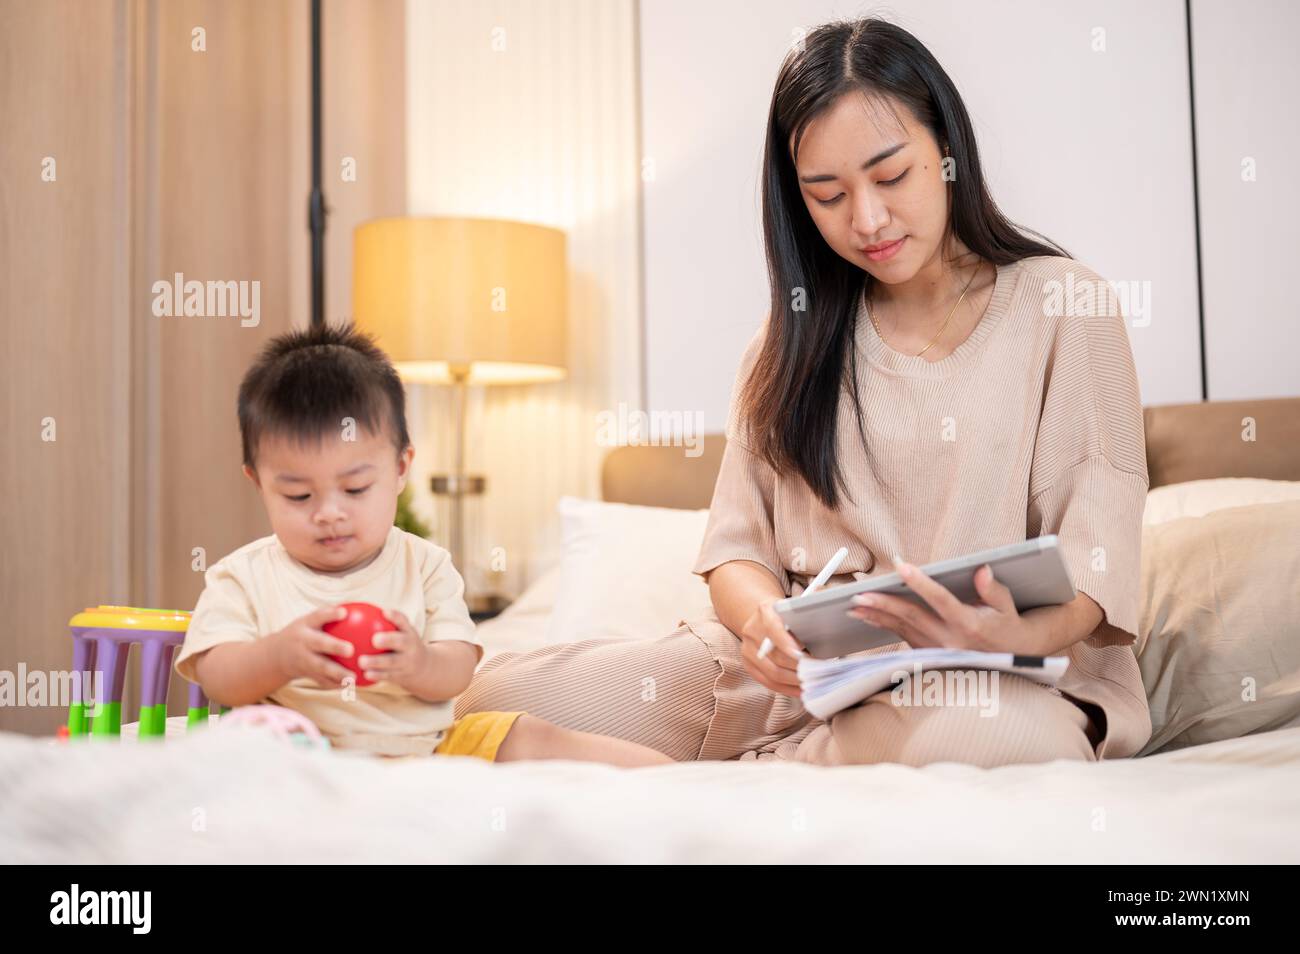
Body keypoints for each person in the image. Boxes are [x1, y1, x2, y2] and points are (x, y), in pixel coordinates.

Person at [456, 17, 1152, 767]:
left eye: (891, 177)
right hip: (787, 684)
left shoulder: (1063, 306)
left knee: (1006, 738)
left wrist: (1012, 635)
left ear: (946, 151)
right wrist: (763, 626)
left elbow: (1097, 557)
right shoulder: (787, 338)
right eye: (827, 195)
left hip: (983, 681)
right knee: (474, 700)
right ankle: (793, 765)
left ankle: (732, 781)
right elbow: (736, 550)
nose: (868, 219)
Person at [174, 324, 673, 766]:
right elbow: (216, 675)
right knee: (235, 758)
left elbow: (457, 667)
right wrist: (278, 656)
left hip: (428, 750)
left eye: (354, 489)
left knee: (522, 732)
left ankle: (679, 781)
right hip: (301, 751)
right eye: (298, 494)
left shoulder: (424, 564)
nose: (329, 512)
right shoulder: (242, 576)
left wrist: (418, 663)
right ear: (256, 482)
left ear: (400, 469)